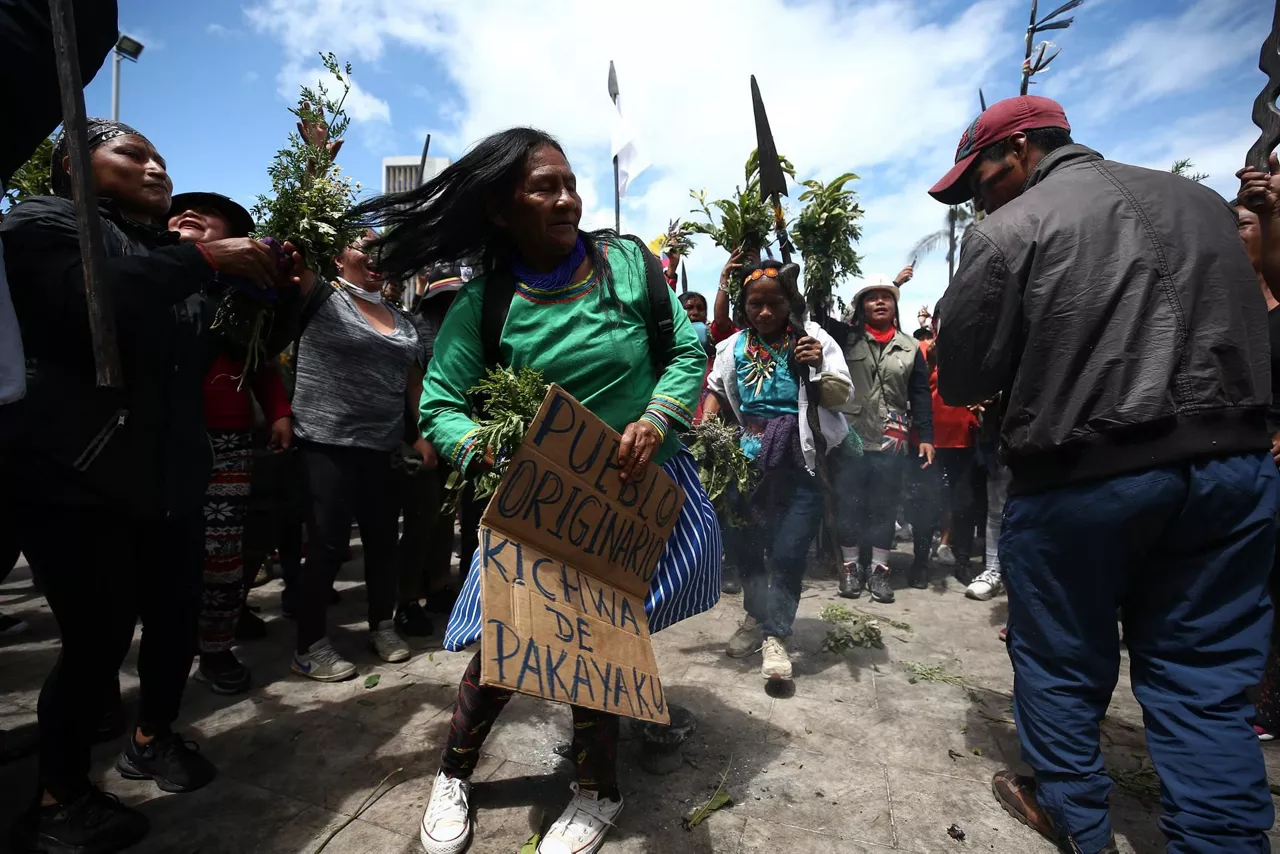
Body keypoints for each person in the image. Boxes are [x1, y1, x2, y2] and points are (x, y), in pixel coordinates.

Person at [354, 127, 720, 854]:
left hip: (633, 500)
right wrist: (483, 448)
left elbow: (685, 348)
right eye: (543, 187)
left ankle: (595, 791)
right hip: (544, 502)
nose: (567, 200)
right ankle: (454, 773)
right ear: (500, 210)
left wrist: (657, 416)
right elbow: (441, 405)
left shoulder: (628, 264)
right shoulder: (485, 303)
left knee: (600, 642)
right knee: (506, 641)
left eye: (569, 183)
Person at [931, 94, 1276, 854]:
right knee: (1205, 683)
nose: (976, 200)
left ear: (1019, 151)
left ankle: (1074, 818)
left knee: (1060, 659)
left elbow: (958, 378)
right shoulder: (1204, 206)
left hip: (1086, 477)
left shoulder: (1011, 230)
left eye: (977, 180)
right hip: (1233, 473)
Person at [2, 119, 285, 853]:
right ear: (72, 163)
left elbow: (232, 341)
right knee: (95, 639)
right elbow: (90, 299)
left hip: (171, 475)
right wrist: (203, 260)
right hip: (74, 476)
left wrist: (273, 275)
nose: (157, 168)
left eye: (162, 157)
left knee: (173, 619)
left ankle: (153, 735)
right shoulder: (38, 224)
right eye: (133, 153)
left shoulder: (166, 251)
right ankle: (61, 797)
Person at [288, 229, 436, 681]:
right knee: (329, 544)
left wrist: (424, 435)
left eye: (382, 250)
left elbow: (414, 382)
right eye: (362, 246)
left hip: (383, 446)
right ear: (337, 258)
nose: (374, 256)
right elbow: (291, 239)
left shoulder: (403, 319)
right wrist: (314, 168)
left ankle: (382, 626)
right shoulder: (319, 298)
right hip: (325, 441)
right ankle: (309, 644)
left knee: (382, 542)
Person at [167, 192, 296, 694]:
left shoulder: (248, 298)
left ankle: (216, 649)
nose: (190, 213)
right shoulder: (148, 278)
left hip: (230, 442)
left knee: (223, 556)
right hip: (157, 439)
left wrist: (281, 413)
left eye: (208, 211)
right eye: (179, 210)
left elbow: (261, 364)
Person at [705, 260, 852, 680]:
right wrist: (706, 426)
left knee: (788, 552)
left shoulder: (814, 337)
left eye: (775, 303)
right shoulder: (731, 347)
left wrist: (818, 365)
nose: (765, 312)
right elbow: (716, 389)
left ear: (790, 302)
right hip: (746, 460)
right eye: (755, 304)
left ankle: (777, 634)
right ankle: (755, 617)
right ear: (743, 305)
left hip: (800, 460)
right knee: (748, 547)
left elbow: (841, 395)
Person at [822, 272, 934, 602]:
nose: (880, 301)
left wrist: (926, 436)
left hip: (892, 438)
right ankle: (852, 569)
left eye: (886, 296)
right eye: (872, 297)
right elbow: (813, 314)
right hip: (851, 437)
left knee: (883, 506)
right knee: (850, 503)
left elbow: (921, 394)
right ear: (861, 306)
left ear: (895, 305)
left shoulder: (911, 347)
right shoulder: (845, 340)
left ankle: (880, 572)